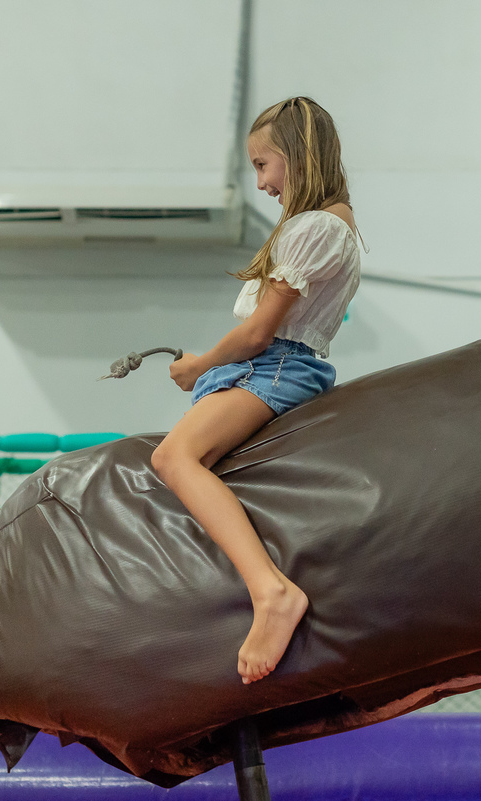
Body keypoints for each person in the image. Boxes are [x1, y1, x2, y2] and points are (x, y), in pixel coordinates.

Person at [151, 97, 362, 684]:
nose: (262, 182)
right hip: (267, 365)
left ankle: (271, 591)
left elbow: (257, 334)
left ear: (297, 156)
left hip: (272, 367)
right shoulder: (321, 228)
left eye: (263, 164)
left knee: (173, 457)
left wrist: (199, 366)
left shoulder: (316, 228)